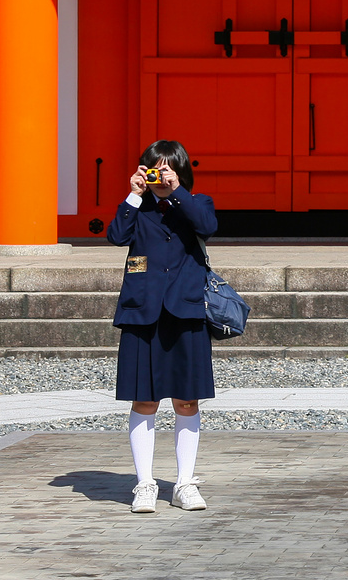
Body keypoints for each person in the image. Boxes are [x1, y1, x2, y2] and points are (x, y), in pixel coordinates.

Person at [108, 140, 218, 514]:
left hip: (185, 312)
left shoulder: (196, 202)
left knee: (187, 400)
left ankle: (184, 483)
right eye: (153, 168)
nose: (159, 175)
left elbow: (208, 225)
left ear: (181, 170)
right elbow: (116, 236)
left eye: (167, 168)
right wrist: (135, 194)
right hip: (143, 311)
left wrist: (177, 192)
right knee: (144, 399)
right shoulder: (138, 207)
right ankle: (144, 484)